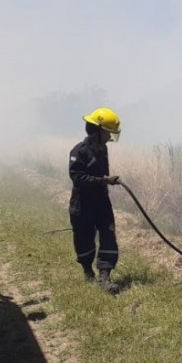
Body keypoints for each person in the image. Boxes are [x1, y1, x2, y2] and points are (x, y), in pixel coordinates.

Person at [68, 107, 123, 294]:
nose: (109, 137)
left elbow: (102, 174)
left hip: (101, 202)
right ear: (96, 131)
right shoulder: (79, 151)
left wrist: (106, 181)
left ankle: (104, 277)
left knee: (108, 235)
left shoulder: (103, 149)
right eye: (107, 133)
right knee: (84, 239)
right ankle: (87, 271)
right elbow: (77, 178)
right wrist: (103, 180)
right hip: (82, 204)